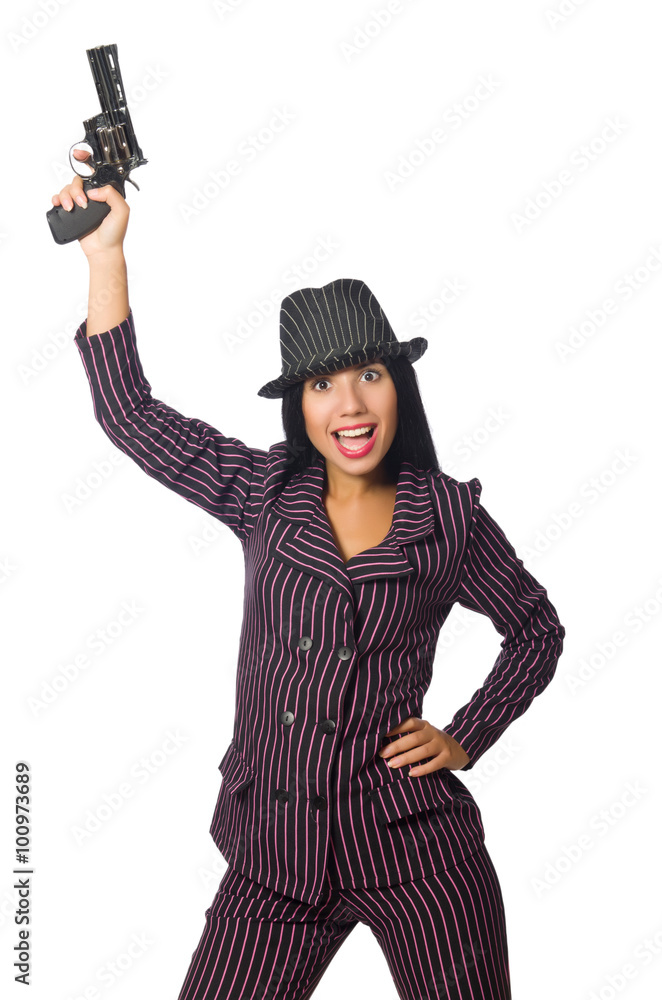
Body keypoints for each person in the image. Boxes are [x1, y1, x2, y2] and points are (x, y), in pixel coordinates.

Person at [52, 166, 565, 1000]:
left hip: (414, 847)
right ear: (299, 404)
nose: (349, 403)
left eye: (369, 373)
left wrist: (467, 733)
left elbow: (537, 629)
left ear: (399, 384)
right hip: (275, 847)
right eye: (322, 384)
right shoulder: (262, 493)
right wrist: (105, 255)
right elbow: (131, 415)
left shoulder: (448, 517)